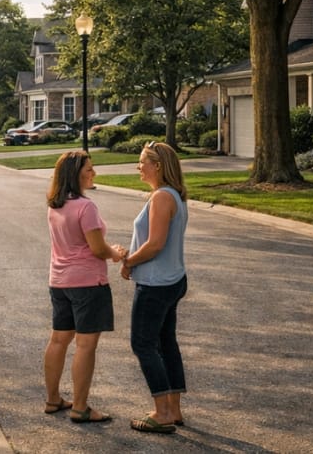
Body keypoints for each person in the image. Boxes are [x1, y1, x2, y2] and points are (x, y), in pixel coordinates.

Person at [43, 150, 126, 424]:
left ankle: (53, 399)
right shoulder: (85, 207)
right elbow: (97, 249)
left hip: (60, 281)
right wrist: (116, 253)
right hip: (88, 284)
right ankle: (80, 407)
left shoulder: (55, 204)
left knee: (58, 340)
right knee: (85, 345)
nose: (94, 173)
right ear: (74, 173)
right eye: (89, 169)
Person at [122, 141, 189, 435]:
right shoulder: (174, 194)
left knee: (143, 344)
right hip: (172, 280)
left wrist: (128, 261)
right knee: (165, 343)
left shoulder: (162, 197)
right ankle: (173, 409)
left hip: (155, 284)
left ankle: (162, 412)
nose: (138, 167)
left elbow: (155, 245)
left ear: (157, 166)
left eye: (142, 162)